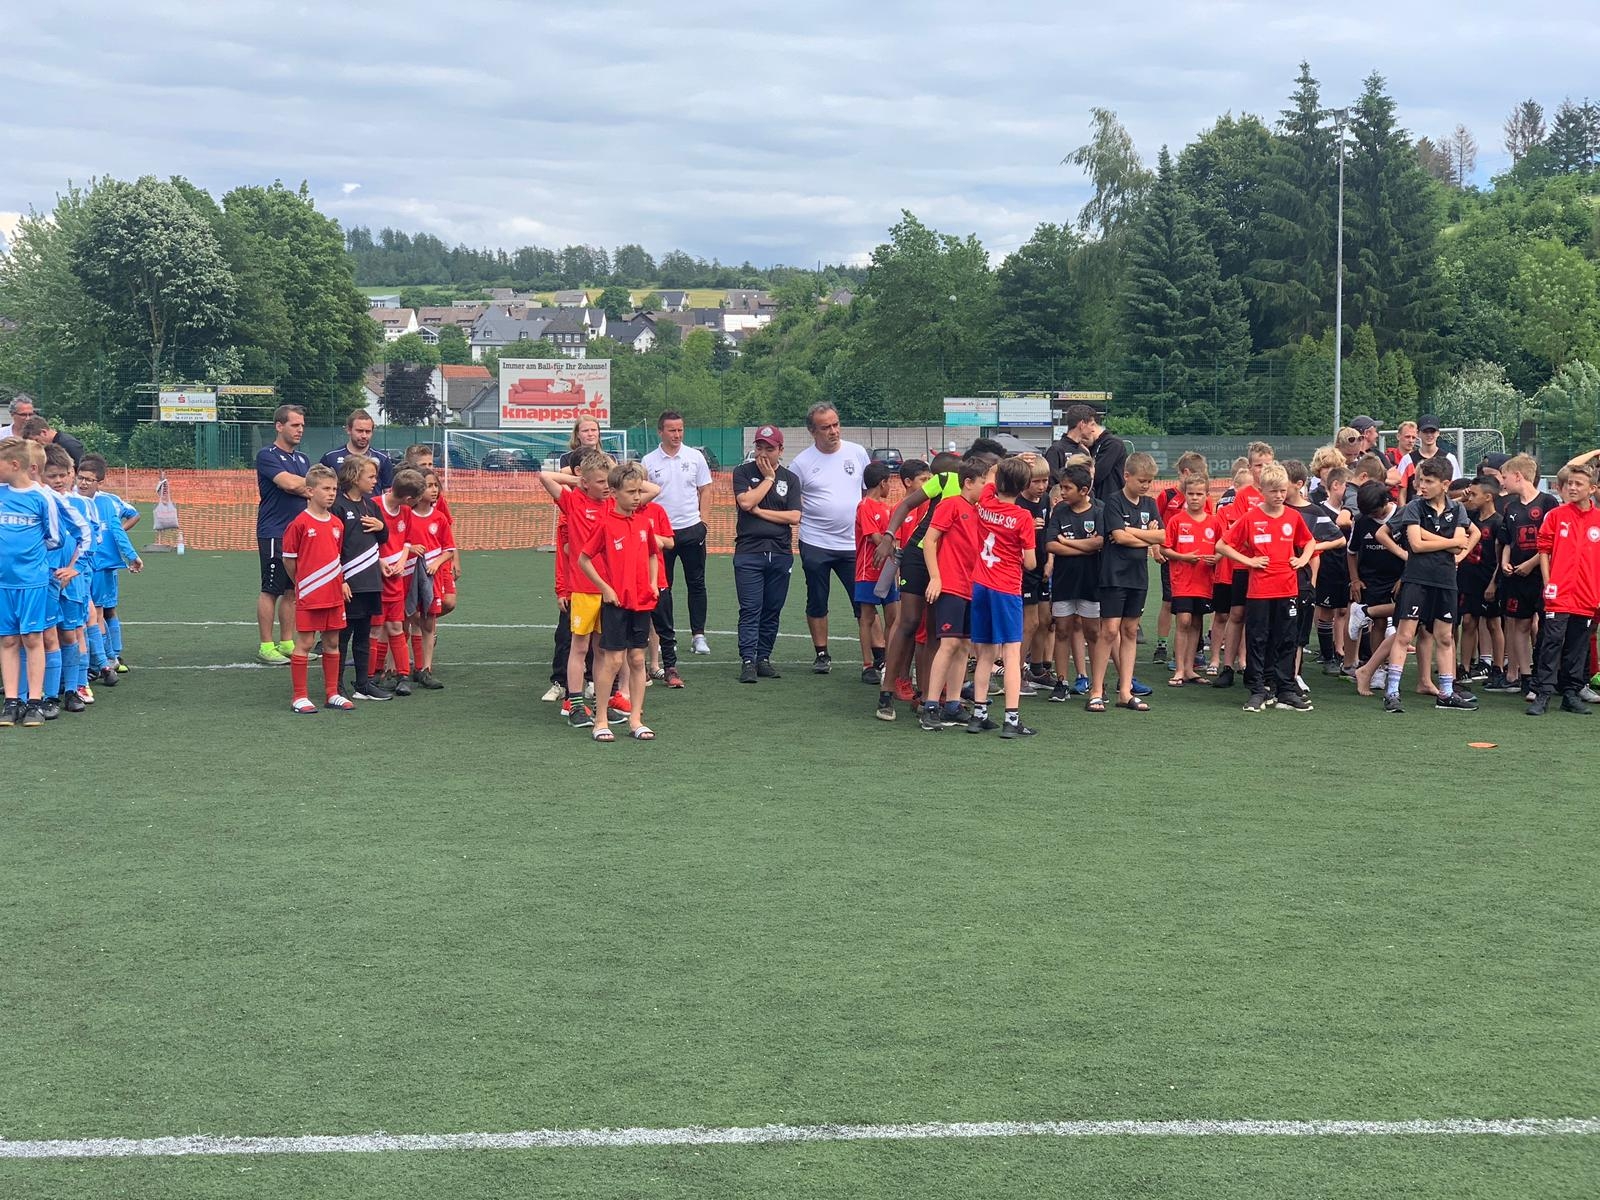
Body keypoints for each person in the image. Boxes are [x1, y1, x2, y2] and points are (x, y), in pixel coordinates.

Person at [1380, 457, 1476, 714]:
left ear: (1445, 484)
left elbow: (1461, 546)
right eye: (1421, 480)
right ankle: (1392, 693)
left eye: (1428, 481)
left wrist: (1432, 537)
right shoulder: (1414, 507)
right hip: (1417, 578)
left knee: (1445, 637)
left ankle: (1446, 693)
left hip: (1445, 580)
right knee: (1404, 635)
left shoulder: (1458, 509)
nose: (1422, 486)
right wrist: (1450, 542)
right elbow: (1416, 544)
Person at [1217, 464, 1315, 712]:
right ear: (1262, 491)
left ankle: (1285, 690)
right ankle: (1258, 690)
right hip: (1260, 590)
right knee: (1258, 639)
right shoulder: (1251, 517)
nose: (1279, 495)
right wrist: (1248, 561)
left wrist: (1302, 559)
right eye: (1274, 491)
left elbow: (1309, 542)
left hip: (1288, 589)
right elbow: (1222, 545)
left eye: (1282, 490)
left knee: (1287, 639)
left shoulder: (1293, 517)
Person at [577, 462, 661, 741]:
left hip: (642, 602)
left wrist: (652, 583)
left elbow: (652, 554)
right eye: (631, 492)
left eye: (639, 491)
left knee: (637, 659)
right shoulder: (605, 524)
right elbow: (584, 559)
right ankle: (600, 720)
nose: (637, 497)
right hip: (616, 603)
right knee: (613, 661)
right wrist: (605, 588)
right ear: (614, 493)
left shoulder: (644, 522)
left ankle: (636, 719)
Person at [788, 402, 871, 674]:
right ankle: (821, 654)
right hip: (816, 542)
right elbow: (792, 501)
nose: (833, 431)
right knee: (817, 599)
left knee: (864, 601)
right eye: (826, 427)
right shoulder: (801, 464)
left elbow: (868, 495)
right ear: (813, 431)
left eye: (836, 424)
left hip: (853, 543)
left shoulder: (857, 453)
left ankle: (876, 657)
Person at [965, 456, 1039, 738]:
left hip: (980, 585)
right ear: (1024, 487)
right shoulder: (1023, 517)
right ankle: (1011, 719)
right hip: (1006, 588)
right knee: (1010, 653)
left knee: (984, 653)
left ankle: (979, 714)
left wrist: (1010, 462)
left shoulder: (985, 502)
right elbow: (1030, 562)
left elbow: (992, 475)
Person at [919, 458, 988, 731]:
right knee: (948, 644)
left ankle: (953, 704)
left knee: (964, 645)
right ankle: (930, 705)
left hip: (972, 587)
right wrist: (936, 577)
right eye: (983, 482)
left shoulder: (979, 510)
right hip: (951, 586)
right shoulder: (951, 505)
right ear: (968, 482)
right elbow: (930, 540)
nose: (986, 488)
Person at [1092, 451, 1164, 713]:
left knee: (1131, 630)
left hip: (1138, 576)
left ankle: (1125, 691)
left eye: (1149, 481)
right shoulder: (1113, 501)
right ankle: (1096, 691)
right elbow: (1118, 538)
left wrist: (1132, 532)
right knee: (1110, 630)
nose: (1146, 486)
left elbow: (1162, 537)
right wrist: (1146, 536)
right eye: (1142, 480)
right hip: (1114, 574)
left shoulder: (1150, 504)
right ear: (1127, 476)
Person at [643, 411, 714, 671]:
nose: (677, 434)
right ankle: (666, 639)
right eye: (672, 430)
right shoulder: (649, 461)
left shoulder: (695, 457)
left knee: (697, 583)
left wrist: (703, 523)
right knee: (664, 587)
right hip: (662, 535)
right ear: (660, 432)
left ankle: (698, 635)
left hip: (692, 529)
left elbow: (706, 489)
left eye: (680, 429)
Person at [1527, 463, 1600, 715]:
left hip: (1587, 595)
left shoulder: (1598, 519)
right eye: (1570, 483)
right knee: (1551, 642)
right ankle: (1543, 694)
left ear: (1592, 489)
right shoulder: (1556, 515)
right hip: (1559, 593)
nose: (1572, 488)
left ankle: (1571, 693)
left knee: (1578, 646)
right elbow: (1543, 549)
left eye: (1578, 484)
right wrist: (1549, 582)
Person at [280, 465, 353, 715]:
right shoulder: (299, 523)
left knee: (332, 642)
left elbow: (336, 557)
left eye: (334, 489)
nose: (331, 494)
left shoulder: (337, 524)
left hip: (334, 595)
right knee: (306, 642)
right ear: (310, 491)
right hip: (311, 594)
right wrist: (304, 583)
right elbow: (289, 560)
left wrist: (339, 582)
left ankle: (332, 693)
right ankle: (299, 696)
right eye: (326, 489)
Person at [731, 425, 801, 685]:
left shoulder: (791, 479)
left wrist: (760, 512)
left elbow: (794, 516)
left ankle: (763, 658)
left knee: (772, 609)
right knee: (751, 609)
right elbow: (746, 502)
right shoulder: (742, 472)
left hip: (780, 553)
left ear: (780, 450)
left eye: (769, 449)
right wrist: (769, 479)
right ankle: (748, 661)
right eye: (759, 447)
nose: (763, 453)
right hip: (749, 553)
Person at [0, 436, 62, 726]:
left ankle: (35, 702)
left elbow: (54, 538)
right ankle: (12, 701)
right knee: (8, 639)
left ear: (15, 465)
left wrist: (29, 560)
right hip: (3, 582)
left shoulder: (42, 497)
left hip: (32, 582)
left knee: (33, 638)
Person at [75, 453, 142, 683]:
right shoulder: (69, 500)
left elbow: (128, 519)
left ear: (99, 482)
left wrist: (129, 553)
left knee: (101, 611)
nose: (83, 483)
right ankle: (102, 660)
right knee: (89, 613)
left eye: (89, 479)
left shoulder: (109, 502)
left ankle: (108, 658)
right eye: (81, 478)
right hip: (80, 566)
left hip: (102, 565)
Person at [1495, 454, 1558, 697]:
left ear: (1518, 476)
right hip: (1516, 577)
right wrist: (1505, 562)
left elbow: (1551, 543)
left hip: (1541, 576)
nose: (1502, 482)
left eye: (1505, 477)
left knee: (1544, 626)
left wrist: (1531, 564)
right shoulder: (1510, 507)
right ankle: (1526, 676)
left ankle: (1545, 676)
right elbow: (1508, 541)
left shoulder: (1548, 502)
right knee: (1519, 624)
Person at [331, 454, 391, 701]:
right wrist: (340, 579)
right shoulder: (337, 506)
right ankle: (335, 685)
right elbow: (332, 546)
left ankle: (363, 684)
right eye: (371, 476)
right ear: (355, 477)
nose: (375, 480)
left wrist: (381, 527)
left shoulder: (371, 505)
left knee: (364, 634)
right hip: (349, 581)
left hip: (370, 581)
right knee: (342, 635)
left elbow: (383, 538)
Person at [255, 404, 310, 665]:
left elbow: (306, 489)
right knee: (271, 589)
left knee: (292, 590)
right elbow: (288, 483)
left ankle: (287, 643)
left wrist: (301, 486)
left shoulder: (303, 459)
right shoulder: (267, 455)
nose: (300, 430)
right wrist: (303, 485)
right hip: (275, 532)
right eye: (294, 425)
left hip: (299, 533)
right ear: (279, 426)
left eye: (302, 425)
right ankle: (266, 646)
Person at [1045, 463, 1103, 701]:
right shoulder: (1060, 511)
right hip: (1064, 582)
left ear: (1084, 490)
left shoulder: (1099, 510)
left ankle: (1097, 684)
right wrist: (1084, 547)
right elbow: (1051, 544)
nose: (1062, 492)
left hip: (1091, 582)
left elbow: (1099, 543)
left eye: (1067, 488)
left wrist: (1068, 543)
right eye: (1061, 487)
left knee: (1093, 632)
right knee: (1062, 630)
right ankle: (1062, 682)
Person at [1161, 474, 1222, 687]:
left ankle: (1189, 668)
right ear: (1185, 494)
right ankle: (1178, 669)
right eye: (1191, 494)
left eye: (1199, 494)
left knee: (1196, 622)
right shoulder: (1177, 520)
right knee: (1184, 620)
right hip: (1182, 580)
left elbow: (1223, 546)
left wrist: (1217, 557)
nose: (1195, 498)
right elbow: (1165, 548)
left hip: (1204, 581)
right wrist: (1183, 557)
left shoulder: (1214, 522)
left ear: (1207, 496)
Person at [1151, 451, 1208, 667]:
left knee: (1196, 608)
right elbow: (1155, 523)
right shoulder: (1167, 496)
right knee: (1169, 601)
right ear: (1185, 473)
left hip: (1196, 561)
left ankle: (1194, 650)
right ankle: (1162, 645)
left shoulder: (1202, 498)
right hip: (1172, 558)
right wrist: (1156, 547)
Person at [371, 468, 424, 697]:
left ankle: (403, 675)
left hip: (395, 580)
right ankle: (371, 674)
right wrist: (379, 561)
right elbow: (363, 542)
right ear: (409, 498)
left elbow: (407, 541)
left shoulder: (406, 512)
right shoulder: (373, 505)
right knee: (374, 629)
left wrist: (402, 562)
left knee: (395, 626)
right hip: (374, 579)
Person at [853, 461, 899, 691]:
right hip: (868, 569)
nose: (890, 487)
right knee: (867, 617)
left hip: (888, 570)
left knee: (893, 617)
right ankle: (867, 664)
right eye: (889, 482)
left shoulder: (888, 508)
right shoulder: (865, 506)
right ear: (882, 483)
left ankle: (890, 663)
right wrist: (895, 549)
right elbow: (877, 539)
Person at [1456, 476, 1504, 690]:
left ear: (1488, 497)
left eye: (1475, 494)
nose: (1471, 498)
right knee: (1468, 621)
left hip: (1488, 579)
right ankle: (1465, 667)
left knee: (1493, 623)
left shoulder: (1498, 522)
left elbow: (1500, 557)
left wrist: (1494, 583)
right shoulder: (1470, 516)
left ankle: (1497, 668)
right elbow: (1449, 506)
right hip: (1468, 577)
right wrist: (1463, 497)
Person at [320, 409, 393, 495]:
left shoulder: (382, 459)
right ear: (348, 430)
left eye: (368, 431)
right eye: (359, 431)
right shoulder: (330, 458)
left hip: (372, 504)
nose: (364, 436)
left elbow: (388, 492)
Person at [16, 414, 85, 470]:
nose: (36, 445)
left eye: (36, 440)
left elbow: (82, 469)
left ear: (44, 432)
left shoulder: (69, 444)